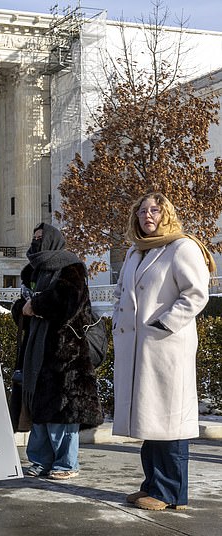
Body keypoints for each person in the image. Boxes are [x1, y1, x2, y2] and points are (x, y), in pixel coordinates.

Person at [112, 192, 215, 511]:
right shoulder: (135, 251)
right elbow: (121, 291)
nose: (147, 214)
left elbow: (197, 293)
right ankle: (152, 485)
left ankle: (171, 493)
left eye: (155, 209)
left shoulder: (182, 247)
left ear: (167, 213)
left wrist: (164, 323)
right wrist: (119, 318)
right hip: (139, 350)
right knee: (149, 419)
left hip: (166, 347)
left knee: (169, 421)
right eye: (142, 210)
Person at [11, 223, 103, 481]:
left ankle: (66, 463)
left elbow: (69, 300)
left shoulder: (70, 267)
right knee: (37, 407)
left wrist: (36, 304)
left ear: (53, 240)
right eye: (34, 237)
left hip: (65, 351)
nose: (36, 241)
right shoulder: (31, 270)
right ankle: (40, 460)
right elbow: (21, 305)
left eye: (41, 238)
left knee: (63, 411)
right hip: (36, 350)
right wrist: (23, 309)